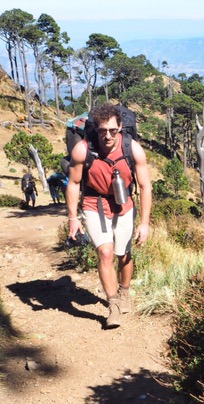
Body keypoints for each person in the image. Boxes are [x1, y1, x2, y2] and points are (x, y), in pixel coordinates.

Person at [66, 103, 152, 329]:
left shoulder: (132, 149)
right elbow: (73, 183)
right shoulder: (83, 150)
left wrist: (144, 223)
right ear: (95, 129)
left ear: (120, 127)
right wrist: (73, 218)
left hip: (124, 204)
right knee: (105, 252)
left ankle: (124, 292)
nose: (107, 136)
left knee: (123, 254)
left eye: (113, 130)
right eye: (103, 131)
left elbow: (145, 186)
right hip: (94, 204)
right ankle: (113, 306)